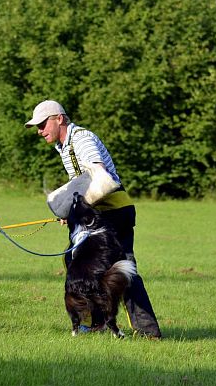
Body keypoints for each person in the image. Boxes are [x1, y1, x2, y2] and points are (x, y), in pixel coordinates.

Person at [25, 100, 162, 339]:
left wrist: (77, 209)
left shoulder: (82, 139)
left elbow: (98, 175)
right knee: (73, 260)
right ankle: (94, 322)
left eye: (42, 124)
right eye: (37, 126)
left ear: (59, 118)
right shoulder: (63, 146)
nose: (39, 130)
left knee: (125, 268)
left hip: (113, 212)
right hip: (97, 213)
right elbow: (81, 183)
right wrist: (73, 211)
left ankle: (147, 332)